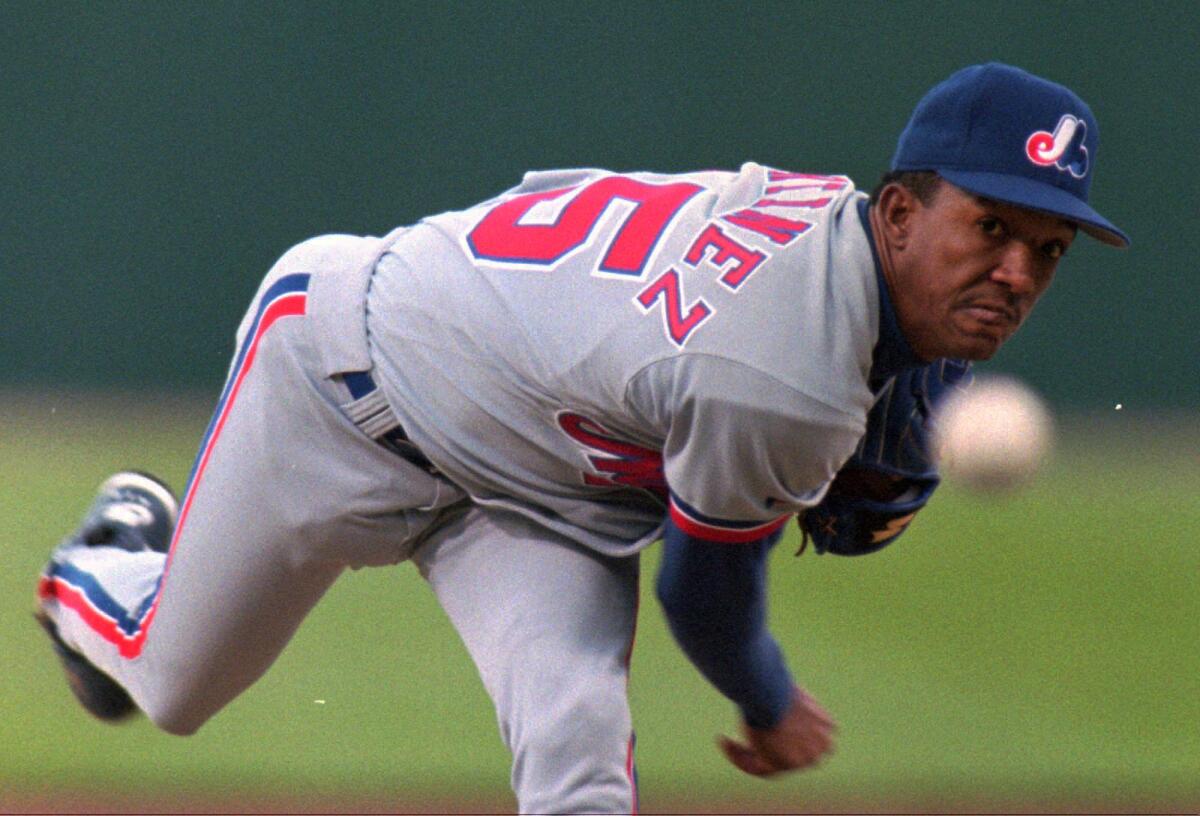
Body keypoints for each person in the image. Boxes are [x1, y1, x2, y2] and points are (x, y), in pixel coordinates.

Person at [35, 62, 1127, 814]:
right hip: (337, 380)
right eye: (989, 227)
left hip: (539, 488)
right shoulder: (782, 385)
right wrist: (771, 700)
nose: (1019, 271)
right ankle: (113, 550)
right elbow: (706, 599)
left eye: (1048, 247)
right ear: (897, 214)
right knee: (165, 688)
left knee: (578, 762)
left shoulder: (837, 237)